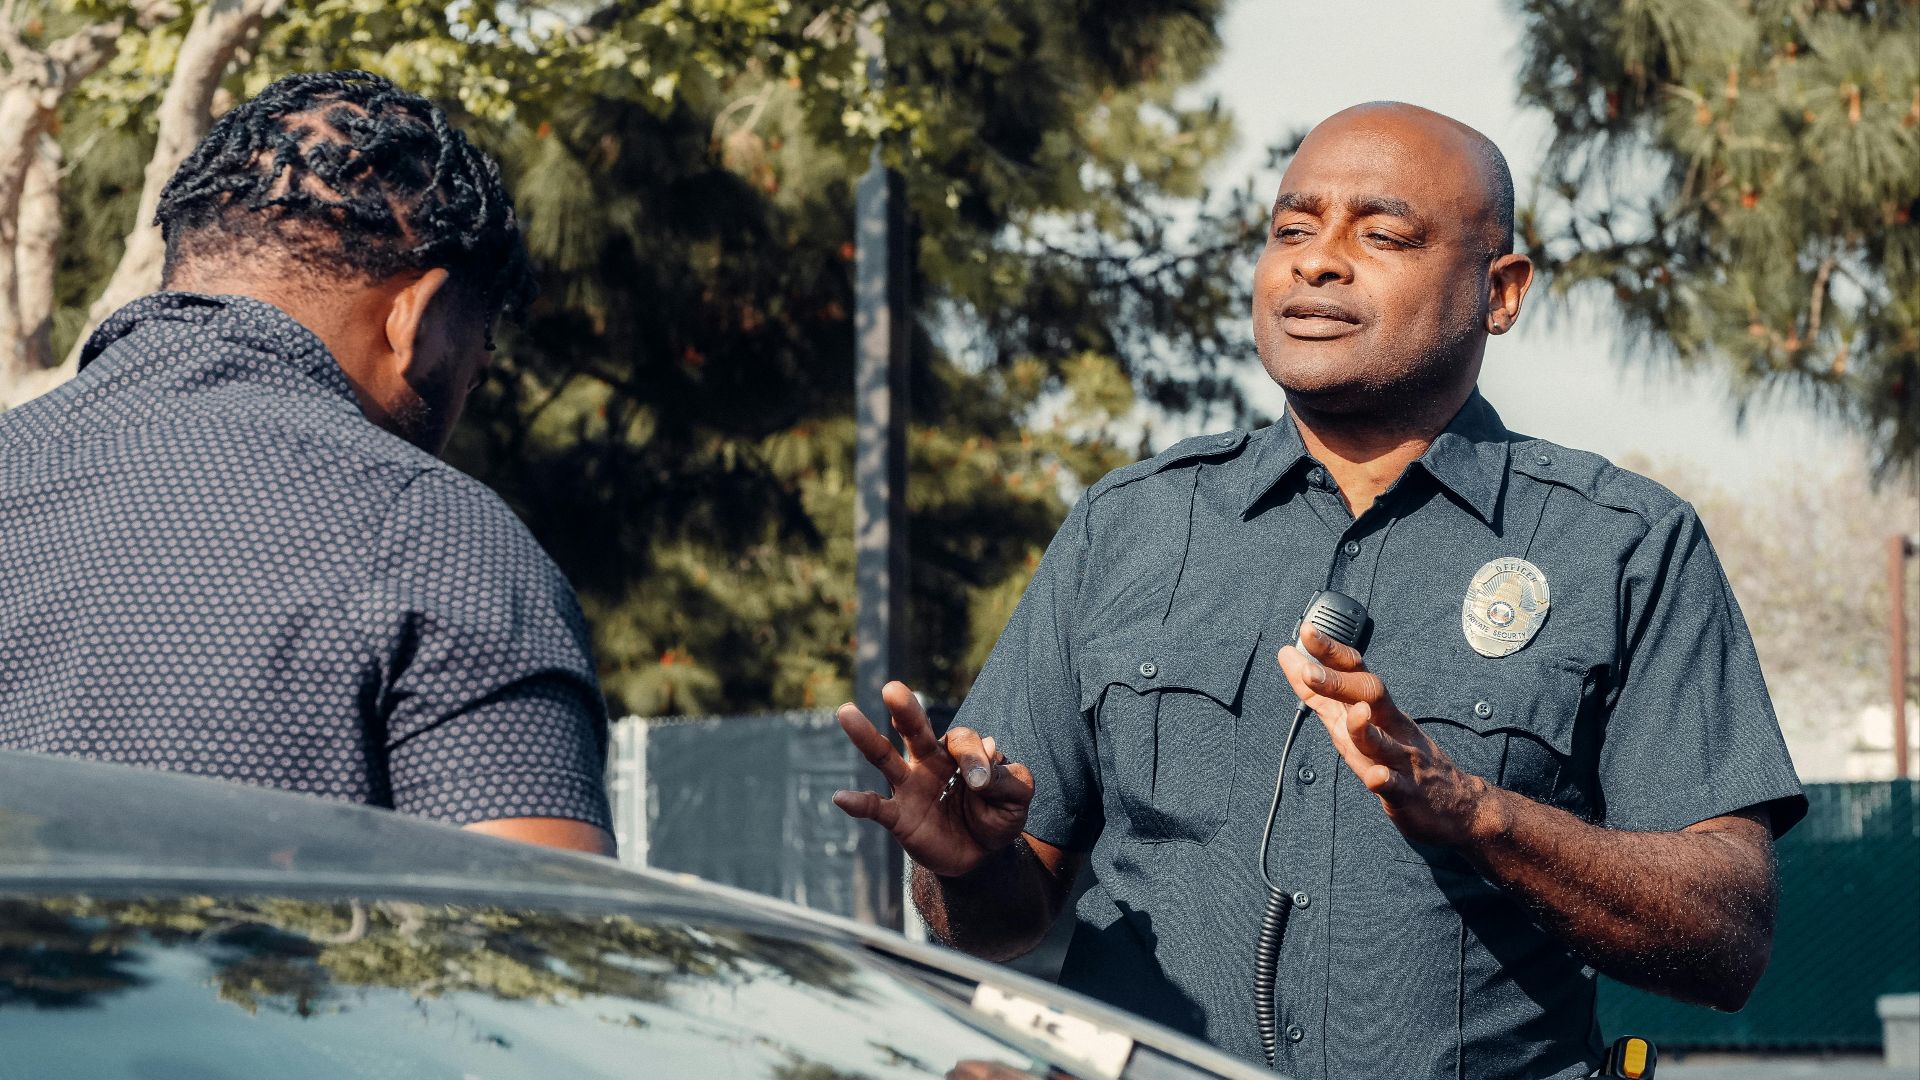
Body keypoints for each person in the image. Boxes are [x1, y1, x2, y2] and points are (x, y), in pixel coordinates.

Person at [831, 102, 1805, 1079]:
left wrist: (1474, 812)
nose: (1318, 262)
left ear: (1501, 292)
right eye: (1292, 229)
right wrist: (965, 866)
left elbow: (1727, 939)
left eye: (1382, 236)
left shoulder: (1623, 543)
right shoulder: (1127, 526)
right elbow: (996, 921)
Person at [0, 71, 614, 856]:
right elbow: (536, 919)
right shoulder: (443, 543)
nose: (466, 395)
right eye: (477, 361)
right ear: (416, 318)